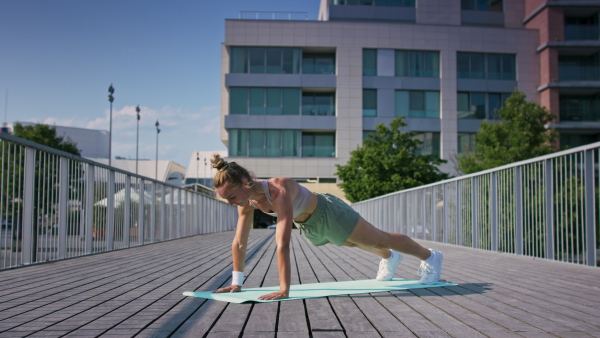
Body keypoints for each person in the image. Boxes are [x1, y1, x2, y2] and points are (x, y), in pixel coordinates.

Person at [211, 154, 443, 300]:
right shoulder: (246, 202)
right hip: (310, 224)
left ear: (244, 182)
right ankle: (390, 258)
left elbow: (282, 243)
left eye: (231, 196)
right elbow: (239, 242)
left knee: (379, 238)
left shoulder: (278, 190)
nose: (231, 203)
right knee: (353, 242)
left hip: (330, 213)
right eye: (227, 200)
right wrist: (236, 282)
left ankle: (430, 257)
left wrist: (284, 289)